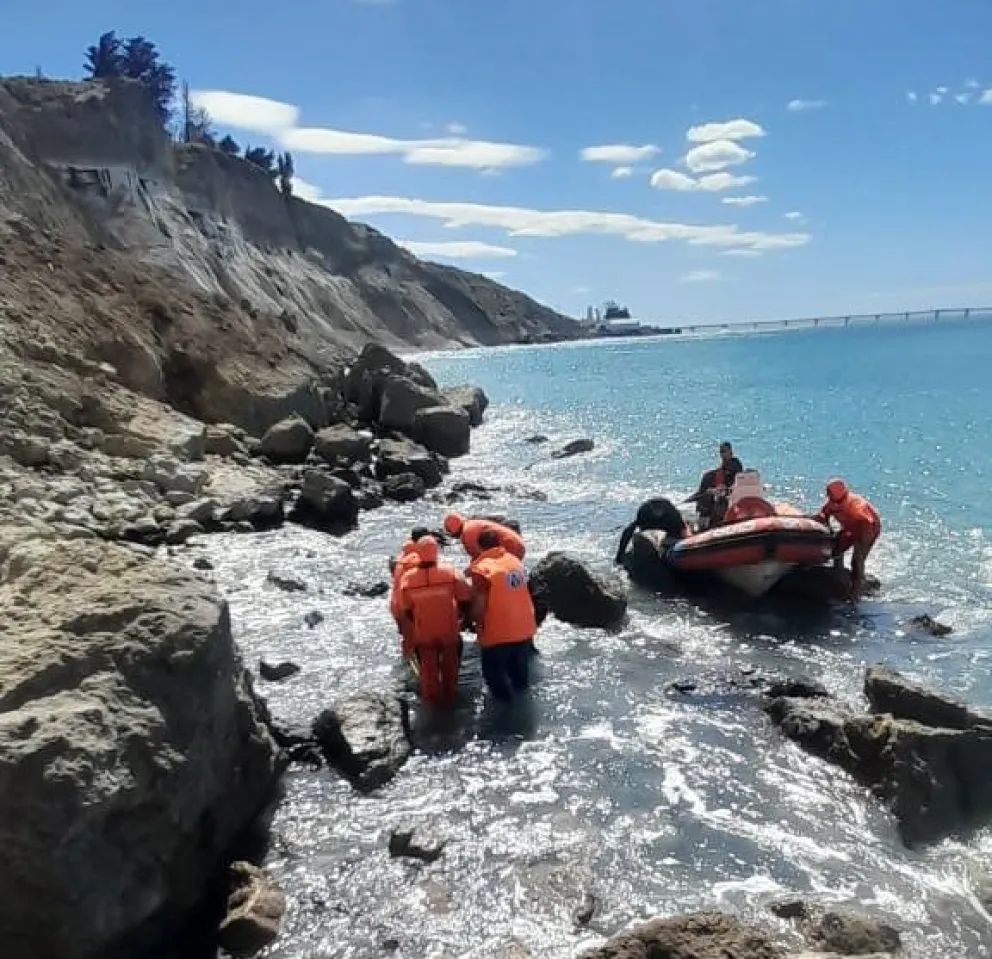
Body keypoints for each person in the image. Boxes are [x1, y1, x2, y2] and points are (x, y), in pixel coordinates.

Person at [397, 535, 472, 706]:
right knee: (450, 667)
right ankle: (450, 699)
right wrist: (461, 617)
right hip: (448, 628)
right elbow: (465, 597)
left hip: (424, 631)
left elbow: (406, 609)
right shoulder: (451, 573)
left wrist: (417, 621)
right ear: (436, 552)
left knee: (428, 670)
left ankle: (431, 704)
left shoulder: (408, 579)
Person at [468, 530, 538, 702]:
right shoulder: (515, 561)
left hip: (498, 633)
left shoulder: (482, 569)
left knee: (494, 675)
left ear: (480, 547)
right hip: (525, 629)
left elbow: (479, 607)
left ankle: (506, 714)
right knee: (520, 677)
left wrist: (468, 620)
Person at [813, 478, 881, 597]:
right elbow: (824, 514)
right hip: (850, 527)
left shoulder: (857, 506)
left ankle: (855, 594)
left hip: (868, 528)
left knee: (856, 561)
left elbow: (867, 522)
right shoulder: (832, 503)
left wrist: (862, 545)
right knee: (836, 549)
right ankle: (838, 576)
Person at [388, 527, 431, 658]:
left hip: (395, 604)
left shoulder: (402, 556)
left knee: (408, 640)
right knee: (416, 640)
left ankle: (408, 660)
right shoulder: (418, 559)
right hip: (407, 606)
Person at [614, 496, 691, 565]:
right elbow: (686, 535)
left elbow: (630, 529)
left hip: (646, 511)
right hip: (655, 512)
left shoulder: (640, 524)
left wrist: (620, 554)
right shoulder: (675, 519)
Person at [444, 512, 526, 560]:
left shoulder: (467, 532)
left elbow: (478, 558)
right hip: (518, 545)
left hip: (512, 550)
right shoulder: (474, 523)